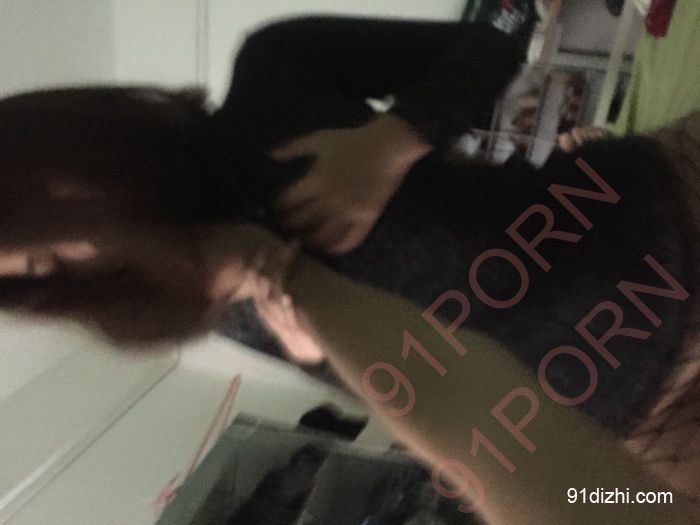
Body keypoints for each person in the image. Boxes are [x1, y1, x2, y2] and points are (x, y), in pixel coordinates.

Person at [0, 15, 698, 521]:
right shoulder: (211, 299)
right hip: (629, 418)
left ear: (70, 146)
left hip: (658, 219)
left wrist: (390, 143)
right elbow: (406, 382)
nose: (85, 253)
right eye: (44, 265)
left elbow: (491, 42)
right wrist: (315, 348)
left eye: (52, 229)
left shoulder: (266, 80)